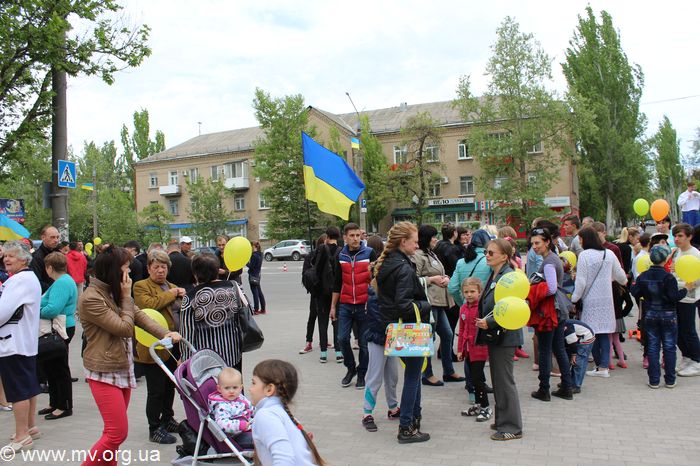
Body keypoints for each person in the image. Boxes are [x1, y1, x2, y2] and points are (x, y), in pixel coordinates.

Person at [79, 245, 181, 466]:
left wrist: (165, 333)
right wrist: (126, 296)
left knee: (112, 434)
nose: (129, 273)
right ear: (114, 270)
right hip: (103, 371)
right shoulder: (92, 298)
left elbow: (140, 316)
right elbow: (125, 328)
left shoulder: (114, 291)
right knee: (117, 433)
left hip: (122, 366)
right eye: (126, 268)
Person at [375, 221, 431, 443]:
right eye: (415, 242)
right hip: (408, 329)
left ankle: (414, 417)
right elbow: (404, 304)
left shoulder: (389, 263)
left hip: (393, 327)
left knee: (413, 374)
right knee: (413, 377)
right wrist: (426, 305)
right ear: (403, 241)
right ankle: (406, 426)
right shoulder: (403, 267)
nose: (417, 246)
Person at [133, 250, 186, 444]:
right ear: (148, 268)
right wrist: (172, 294)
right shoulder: (141, 286)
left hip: (173, 346)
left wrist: (183, 296)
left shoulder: (172, 286)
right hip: (153, 347)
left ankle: (168, 418)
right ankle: (154, 427)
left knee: (170, 385)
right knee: (156, 390)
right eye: (156, 267)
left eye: (163, 267)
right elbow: (148, 306)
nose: (160, 271)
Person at [475, 239, 523, 441]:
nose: (487, 255)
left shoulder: (509, 277)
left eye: (491, 253)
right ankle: (502, 419)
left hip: (505, 334)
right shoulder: (495, 273)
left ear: (504, 256)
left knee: (504, 381)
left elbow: (511, 306)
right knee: (498, 379)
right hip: (496, 335)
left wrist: (490, 322)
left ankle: (512, 427)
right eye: (486, 252)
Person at [0, 241, 42, 453]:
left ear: (24, 259)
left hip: (13, 343)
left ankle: (22, 435)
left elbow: (2, 312)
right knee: (28, 387)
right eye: (5, 255)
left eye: (12, 256)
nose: (6, 259)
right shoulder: (27, 278)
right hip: (23, 342)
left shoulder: (19, 280)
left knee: (18, 391)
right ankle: (30, 426)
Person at [412, 224, 464, 386]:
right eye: (433, 237)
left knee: (447, 335)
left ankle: (448, 371)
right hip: (429, 302)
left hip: (439, 302)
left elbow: (439, 272)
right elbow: (413, 279)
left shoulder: (431, 253)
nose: (436, 239)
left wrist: (445, 277)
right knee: (429, 338)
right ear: (426, 238)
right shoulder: (418, 256)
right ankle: (427, 374)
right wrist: (432, 280)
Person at [571, 227, 627, 378]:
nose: (579, 242)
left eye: (580, 239)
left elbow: (581, 282)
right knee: (604, 333)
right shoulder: (609, 254)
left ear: (585, 239)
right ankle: (604, 367)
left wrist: (574, 298)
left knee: (592, 333)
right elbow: (621, 277)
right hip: (607, 301)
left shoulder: (584, 256)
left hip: (590, 301)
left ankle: (599, 366)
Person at [631, 245, 690, 388]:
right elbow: (673, 297)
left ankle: (654, 380)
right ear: (665, 259)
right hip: (668, 315)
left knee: (652, 347)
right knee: (669, 347)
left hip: (650, 314)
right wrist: (685, 290)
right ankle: (670, 380)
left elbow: (635, 292)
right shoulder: (669, 277)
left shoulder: (643, 276)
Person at [249, 359, 326, 465]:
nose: (250, 389)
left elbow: (284, 459)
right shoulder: (281, 413)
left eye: (253, 383)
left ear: (269, 389)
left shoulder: (266, 415)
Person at [528, 227, 574, 401]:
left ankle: (544, 389)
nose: (534, 246)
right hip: (559, 310)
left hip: (549, 312)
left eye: (537, 243)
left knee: (545, 350)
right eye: (532, 243)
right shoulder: (554, 258)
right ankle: (567, 387)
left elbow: (552, 288)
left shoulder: (548, 262)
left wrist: (535, 292)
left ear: (547, 242)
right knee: (559, 349)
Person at [180, 253, 246, 371]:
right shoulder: (235, 287)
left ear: (195, 273)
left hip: (206, 361)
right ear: (217, 270)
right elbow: (248, 311)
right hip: (233, 353)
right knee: (234, 381)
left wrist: (185, 360)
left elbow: (187, 332)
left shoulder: (190, 297)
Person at [361, 235, 399, 433]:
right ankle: (367, 413)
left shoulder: (389, 291)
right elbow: (378, 318)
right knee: (375, 377)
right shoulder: (374, 292)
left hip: (390, 338)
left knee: (392, 376)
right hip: (378, 338)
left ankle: (393, 408)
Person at [330, 223, 376, 389]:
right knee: (342, 339)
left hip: (365, 305)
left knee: (364, 343)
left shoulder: (369, 253)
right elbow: (337, 282)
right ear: (345, 237)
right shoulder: (340, 255)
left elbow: (376, 279)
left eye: (358, 235)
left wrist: (374, 300)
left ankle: (362, 373)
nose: (356, 238)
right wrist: (333, 306)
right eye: (352, 236)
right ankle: (351, 369)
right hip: (346, 305)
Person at [37, 252, 77, 420]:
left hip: (60, 329)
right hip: (59, 328)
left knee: (59, 368)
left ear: (49, 267)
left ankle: (64, 405)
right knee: (51, 367)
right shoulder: (64, 281)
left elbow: (53, 309)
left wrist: (35, 311)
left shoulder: (62, 283)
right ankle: (54, 402)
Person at [458, 277, 491, 422]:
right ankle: (478, 405)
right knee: (472, 378)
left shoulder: (482, 308)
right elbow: (461, 329)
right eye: (466, 292)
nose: (469, 294)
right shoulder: (463, 308)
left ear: (479, 291)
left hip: (479, 348)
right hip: (468, 349)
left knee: (478, 379)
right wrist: (460, 349)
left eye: (472, 291)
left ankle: (485, 407)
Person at [670, 223, 700, 377]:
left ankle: (697, 360)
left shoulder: (695, 254)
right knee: (677, 330)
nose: (677, 239)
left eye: (680, 236)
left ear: (689, 237)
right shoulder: (677, 252)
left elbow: (696, 278)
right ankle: (687, 357)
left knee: (688, 330)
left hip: (689, 297)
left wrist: (688, 285)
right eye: (675, 236)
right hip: (677, 295)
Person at [313, 227, 342, 364]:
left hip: (322, 291)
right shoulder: (341, 250)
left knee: (322, 322)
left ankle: (323, 353)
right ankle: (339, 352)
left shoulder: (321, 249)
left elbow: (315, 267)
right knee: (337, 321)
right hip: (337, 291)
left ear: (327, 236)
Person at [208, 367, 253, 445]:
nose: (231, 391)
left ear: (241, 388)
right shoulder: (221, 406)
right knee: (262, 439)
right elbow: (221, 423)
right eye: (227, 388)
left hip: (249, 425)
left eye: (235, 387)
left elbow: (250, 408)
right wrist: (239, 425)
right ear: (219, 389)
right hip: (236, 435)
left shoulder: (240, 397)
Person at [448, 229, 493, 305]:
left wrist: (463, 303)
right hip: (485, 305)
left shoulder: (461, 262)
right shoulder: (490, 261)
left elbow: (452, 288)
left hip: (468, 306)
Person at [299, 234, 326, 354]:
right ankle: (308, 342)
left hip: (327, 292)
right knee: (313, 316)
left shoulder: (329, 255)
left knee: (325, 318)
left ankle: (324, 341)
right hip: (316, 292)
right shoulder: (311, 256)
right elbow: (305, 275)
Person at [563, 319, 595, 392]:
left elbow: (572, 342)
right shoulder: (563, 325)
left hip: (585, 339)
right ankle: (569, 382)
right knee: (574, 361)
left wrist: (573, 354)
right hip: (579, 338)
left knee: (578, 362)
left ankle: (576, 385)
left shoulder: (566, 327)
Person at [30, 225, 60, 292]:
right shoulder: (36, 257)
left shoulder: (60, 254)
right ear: (43, 237)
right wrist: (54, 288)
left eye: (57, 237)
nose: (56, 240)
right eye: (52, 237)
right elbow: (36, 281)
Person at [247, 241, 266, 315]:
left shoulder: (254, 255)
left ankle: (256, 309)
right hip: (258, 275)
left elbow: (251, 266)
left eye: (250, 246)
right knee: (259, 292)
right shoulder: (260, 254)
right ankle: (263, 309)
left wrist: (246, 262)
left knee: (255, 293)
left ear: (253, 246)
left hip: (252, 275)